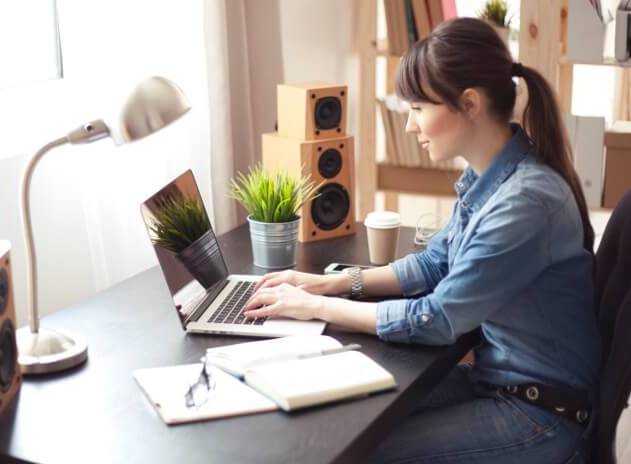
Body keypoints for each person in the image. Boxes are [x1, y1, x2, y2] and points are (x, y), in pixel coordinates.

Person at [244, 17, 600, 463]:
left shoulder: (524, 203)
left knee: (354, 449)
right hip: (496, 383)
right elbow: (434, 265)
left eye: (417, 109)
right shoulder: (490, 178)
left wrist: (315, 309)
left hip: (537, 415)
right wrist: (327, 284)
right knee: (337, 414)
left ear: (468, 103)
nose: (411, 125)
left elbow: (437, 319)